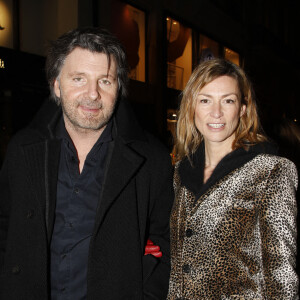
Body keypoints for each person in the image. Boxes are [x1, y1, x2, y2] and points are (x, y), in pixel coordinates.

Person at [0, 27, 174, 300]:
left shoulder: (152, 160)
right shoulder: (22, 150)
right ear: (57, 84)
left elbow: (168, 242)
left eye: (105, 81)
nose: (92, 94)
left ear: (118, 88)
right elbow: (5, 227)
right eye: (79, 79)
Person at [167, 58, 298, 299]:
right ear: (191, 107)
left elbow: (281, 276)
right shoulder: (181, 172)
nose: (216, 112)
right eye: (205, 100)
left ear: (243, 109)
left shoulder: (271, 172)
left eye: (228, 101)